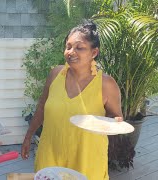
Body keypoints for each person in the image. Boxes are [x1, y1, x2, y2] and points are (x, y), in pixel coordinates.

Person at [21, 21, 123, 180]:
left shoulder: (106, 84)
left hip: (86, 159)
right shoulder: (55, 74)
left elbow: (116, 119)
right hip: (51, 155)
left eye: (79, 48)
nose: (71, 52)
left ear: (94, 52)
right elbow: (41, 108)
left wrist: (115, 122)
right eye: (68, 47)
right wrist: (28, 136)